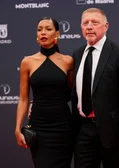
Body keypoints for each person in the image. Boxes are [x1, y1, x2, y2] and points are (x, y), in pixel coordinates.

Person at [71, 8, 119, 168]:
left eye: (95, 22)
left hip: (113, 133)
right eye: (85, 23)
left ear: (106, 26)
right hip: (83, 131)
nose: (89, 26)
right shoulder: (77, 54)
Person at [15, 16, 74, 168]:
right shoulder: (27, 62)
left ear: (57, 34)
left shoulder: (68, 61)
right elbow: (23, 99)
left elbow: (73, 94)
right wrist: (17, 129)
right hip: (39, 127)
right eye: (40, 29)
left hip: (63, 126)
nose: (43, 32)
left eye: (48, 29)